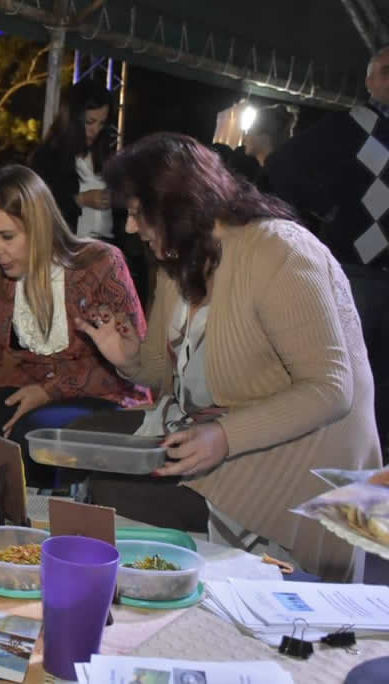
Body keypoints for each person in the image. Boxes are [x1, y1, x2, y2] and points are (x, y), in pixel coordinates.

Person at [77, 132, 380, 579]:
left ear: (178, 206)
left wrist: (225, 436)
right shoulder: (178, 258)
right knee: (84, 444)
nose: (129, 228)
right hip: (220, 430)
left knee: (115, 489)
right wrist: (125, 359)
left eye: (139, 214)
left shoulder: (278, 250)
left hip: (299, 454)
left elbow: (333, 389)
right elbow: (162, 377)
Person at [0, 165, 150, 482]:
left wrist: (49, 391)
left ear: (40, 226)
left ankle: (42, 526)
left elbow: (136, 364)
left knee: (36, 435)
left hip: (103, 393)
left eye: (7, 236)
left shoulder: (100, 263)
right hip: (30, 389)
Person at [266, 47, 389, 458]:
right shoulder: (349, 126)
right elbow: (283, 166)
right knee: (352, 377)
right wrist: (325, 211)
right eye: (386, 72)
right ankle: (343, 465)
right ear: (370, 81)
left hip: (368, 272)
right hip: (358, 272)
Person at [29, 80, 116, 241]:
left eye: (102, 123)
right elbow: (38, 207)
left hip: (103, 250)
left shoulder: (104, 154)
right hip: (67, 250)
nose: (96, 130)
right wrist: (81, 200)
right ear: (73, 118)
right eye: (90, 122)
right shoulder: (48, 156)